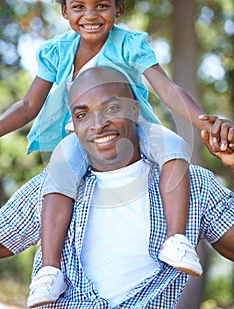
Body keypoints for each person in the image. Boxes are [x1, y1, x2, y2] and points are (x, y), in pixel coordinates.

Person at [0, 0, 233, 306]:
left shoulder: (129, 45)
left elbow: (166, 89)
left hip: (144, 128)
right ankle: (50, 270)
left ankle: (176, 238)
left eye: (102, 6)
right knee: (59, 174)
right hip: (71, 144)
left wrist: (203, 122)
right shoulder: (58, 52)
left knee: (174, 145)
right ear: (64, 11)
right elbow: (27, 106)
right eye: (79, 7)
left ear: (118, 8)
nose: (90, 15)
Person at [5, 66, 233, 308]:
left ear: (134, 110)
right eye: (82, 115)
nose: (98, 124)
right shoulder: (52, 189)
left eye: (111, 108)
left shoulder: (193, 184)